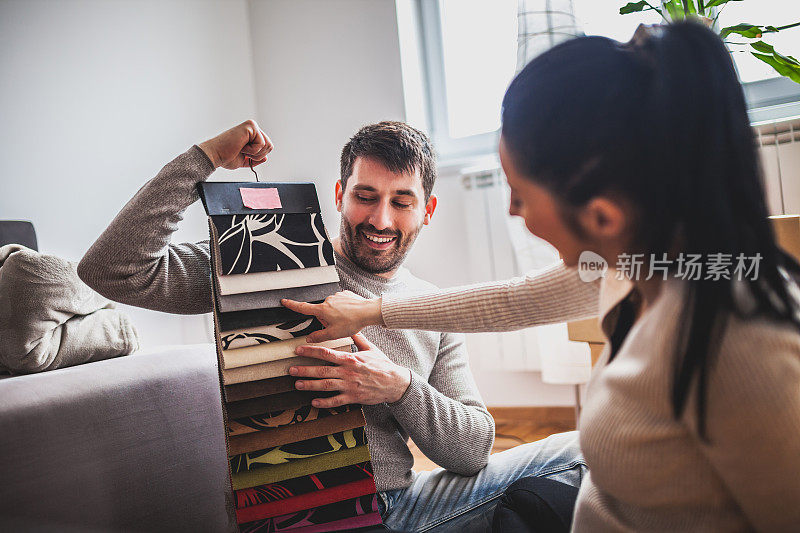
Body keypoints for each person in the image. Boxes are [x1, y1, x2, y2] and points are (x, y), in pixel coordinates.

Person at [283, 22, 800, 531]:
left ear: (603, 216)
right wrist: (375, 310)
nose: (512, 212)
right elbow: (513, 301)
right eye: (366, 196)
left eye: (521, 193)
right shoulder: (634, 262)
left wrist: (397, 382)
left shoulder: (743, 344)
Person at [77, 119, 590, 532]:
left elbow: (474, 448)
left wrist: (398, 387)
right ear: (340, 193)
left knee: (585, 451)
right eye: (366, 196)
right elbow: (111, 269)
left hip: (402, 506)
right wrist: (203, 160)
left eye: (401, 202)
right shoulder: (265, 262)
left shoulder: (431, 308)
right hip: (298, 514)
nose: (381, 220)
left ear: (427, 210)